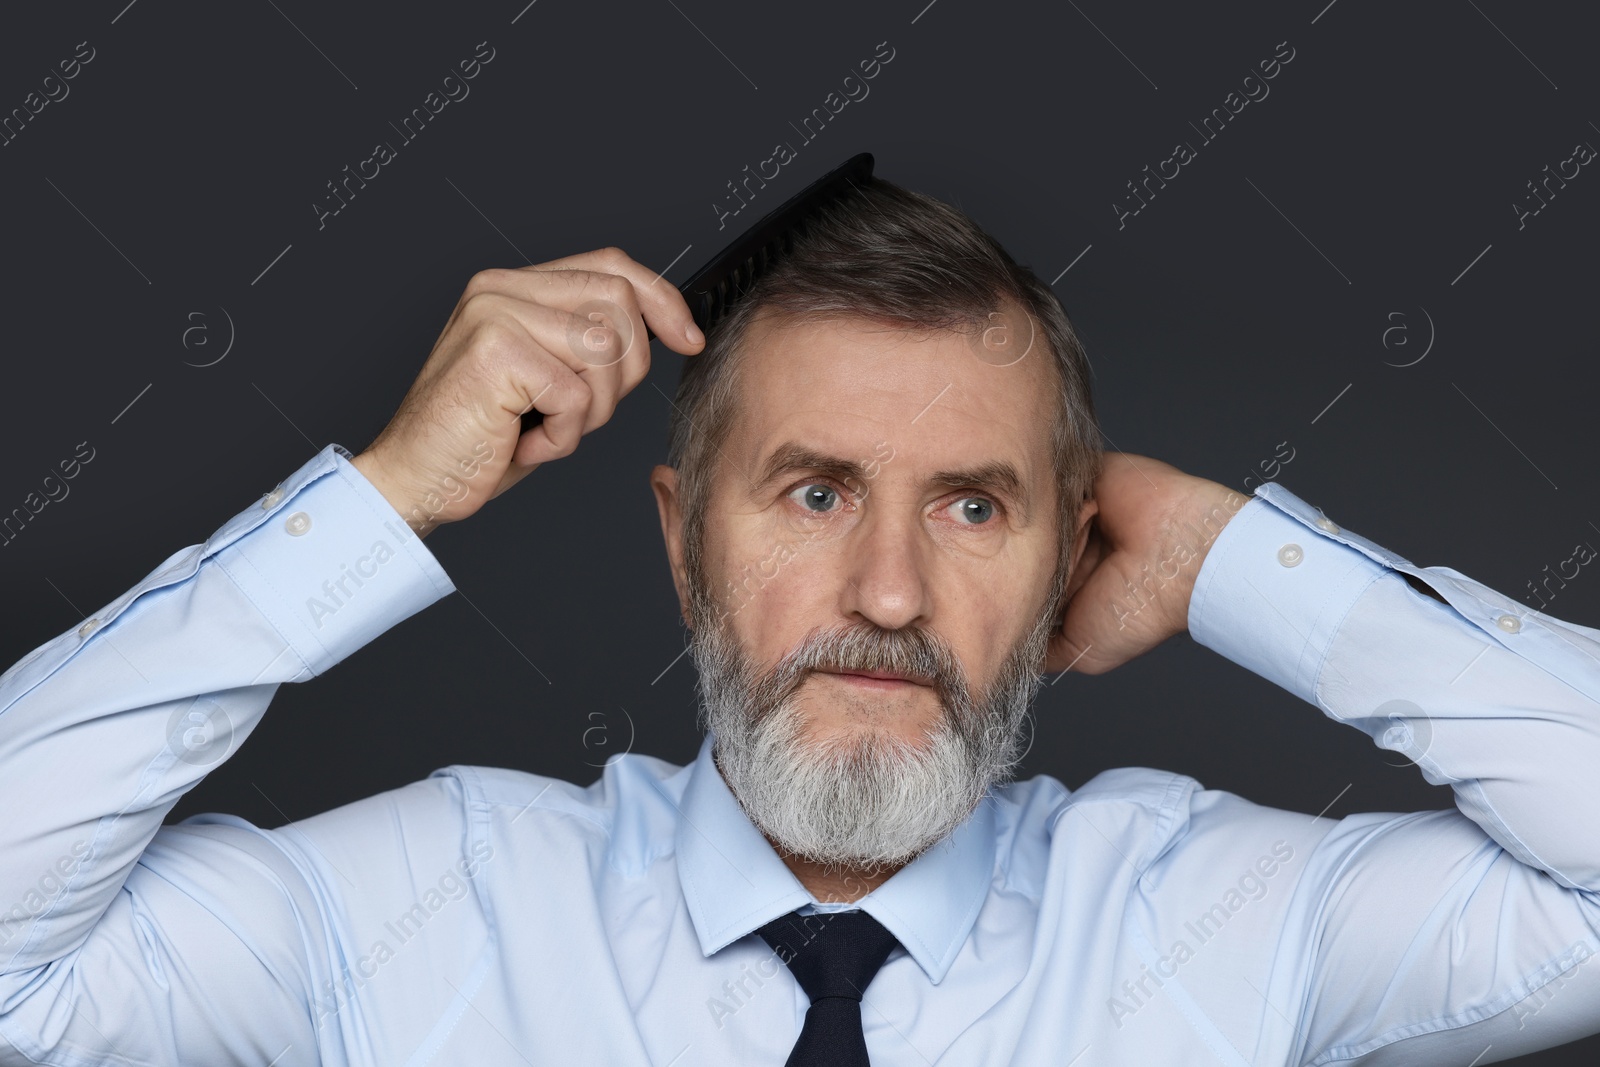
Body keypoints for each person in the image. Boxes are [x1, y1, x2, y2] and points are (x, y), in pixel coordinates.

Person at [2, 174, 1598, 1067]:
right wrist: (381, 502)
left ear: (1066, 559)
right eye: (816, 495)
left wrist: (1229, 557)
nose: (890, 595)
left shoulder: (1220, 927)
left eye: (975, 507)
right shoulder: (429, 904)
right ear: (686, 548)